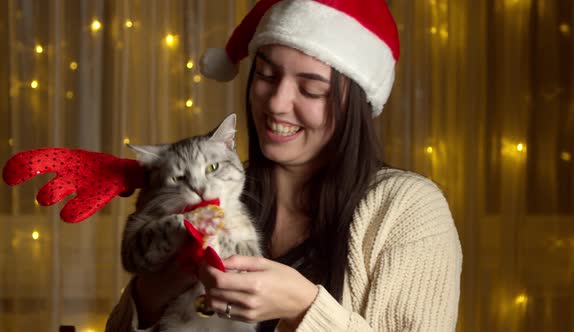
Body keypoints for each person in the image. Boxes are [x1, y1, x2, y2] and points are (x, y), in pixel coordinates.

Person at [107, 0, 462, 331]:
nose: (276, 104)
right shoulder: (217, 188)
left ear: (355, 106)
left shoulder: (409, 210)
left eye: (310, 90)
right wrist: (158, 283)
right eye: (266, 75)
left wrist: (303, 305)